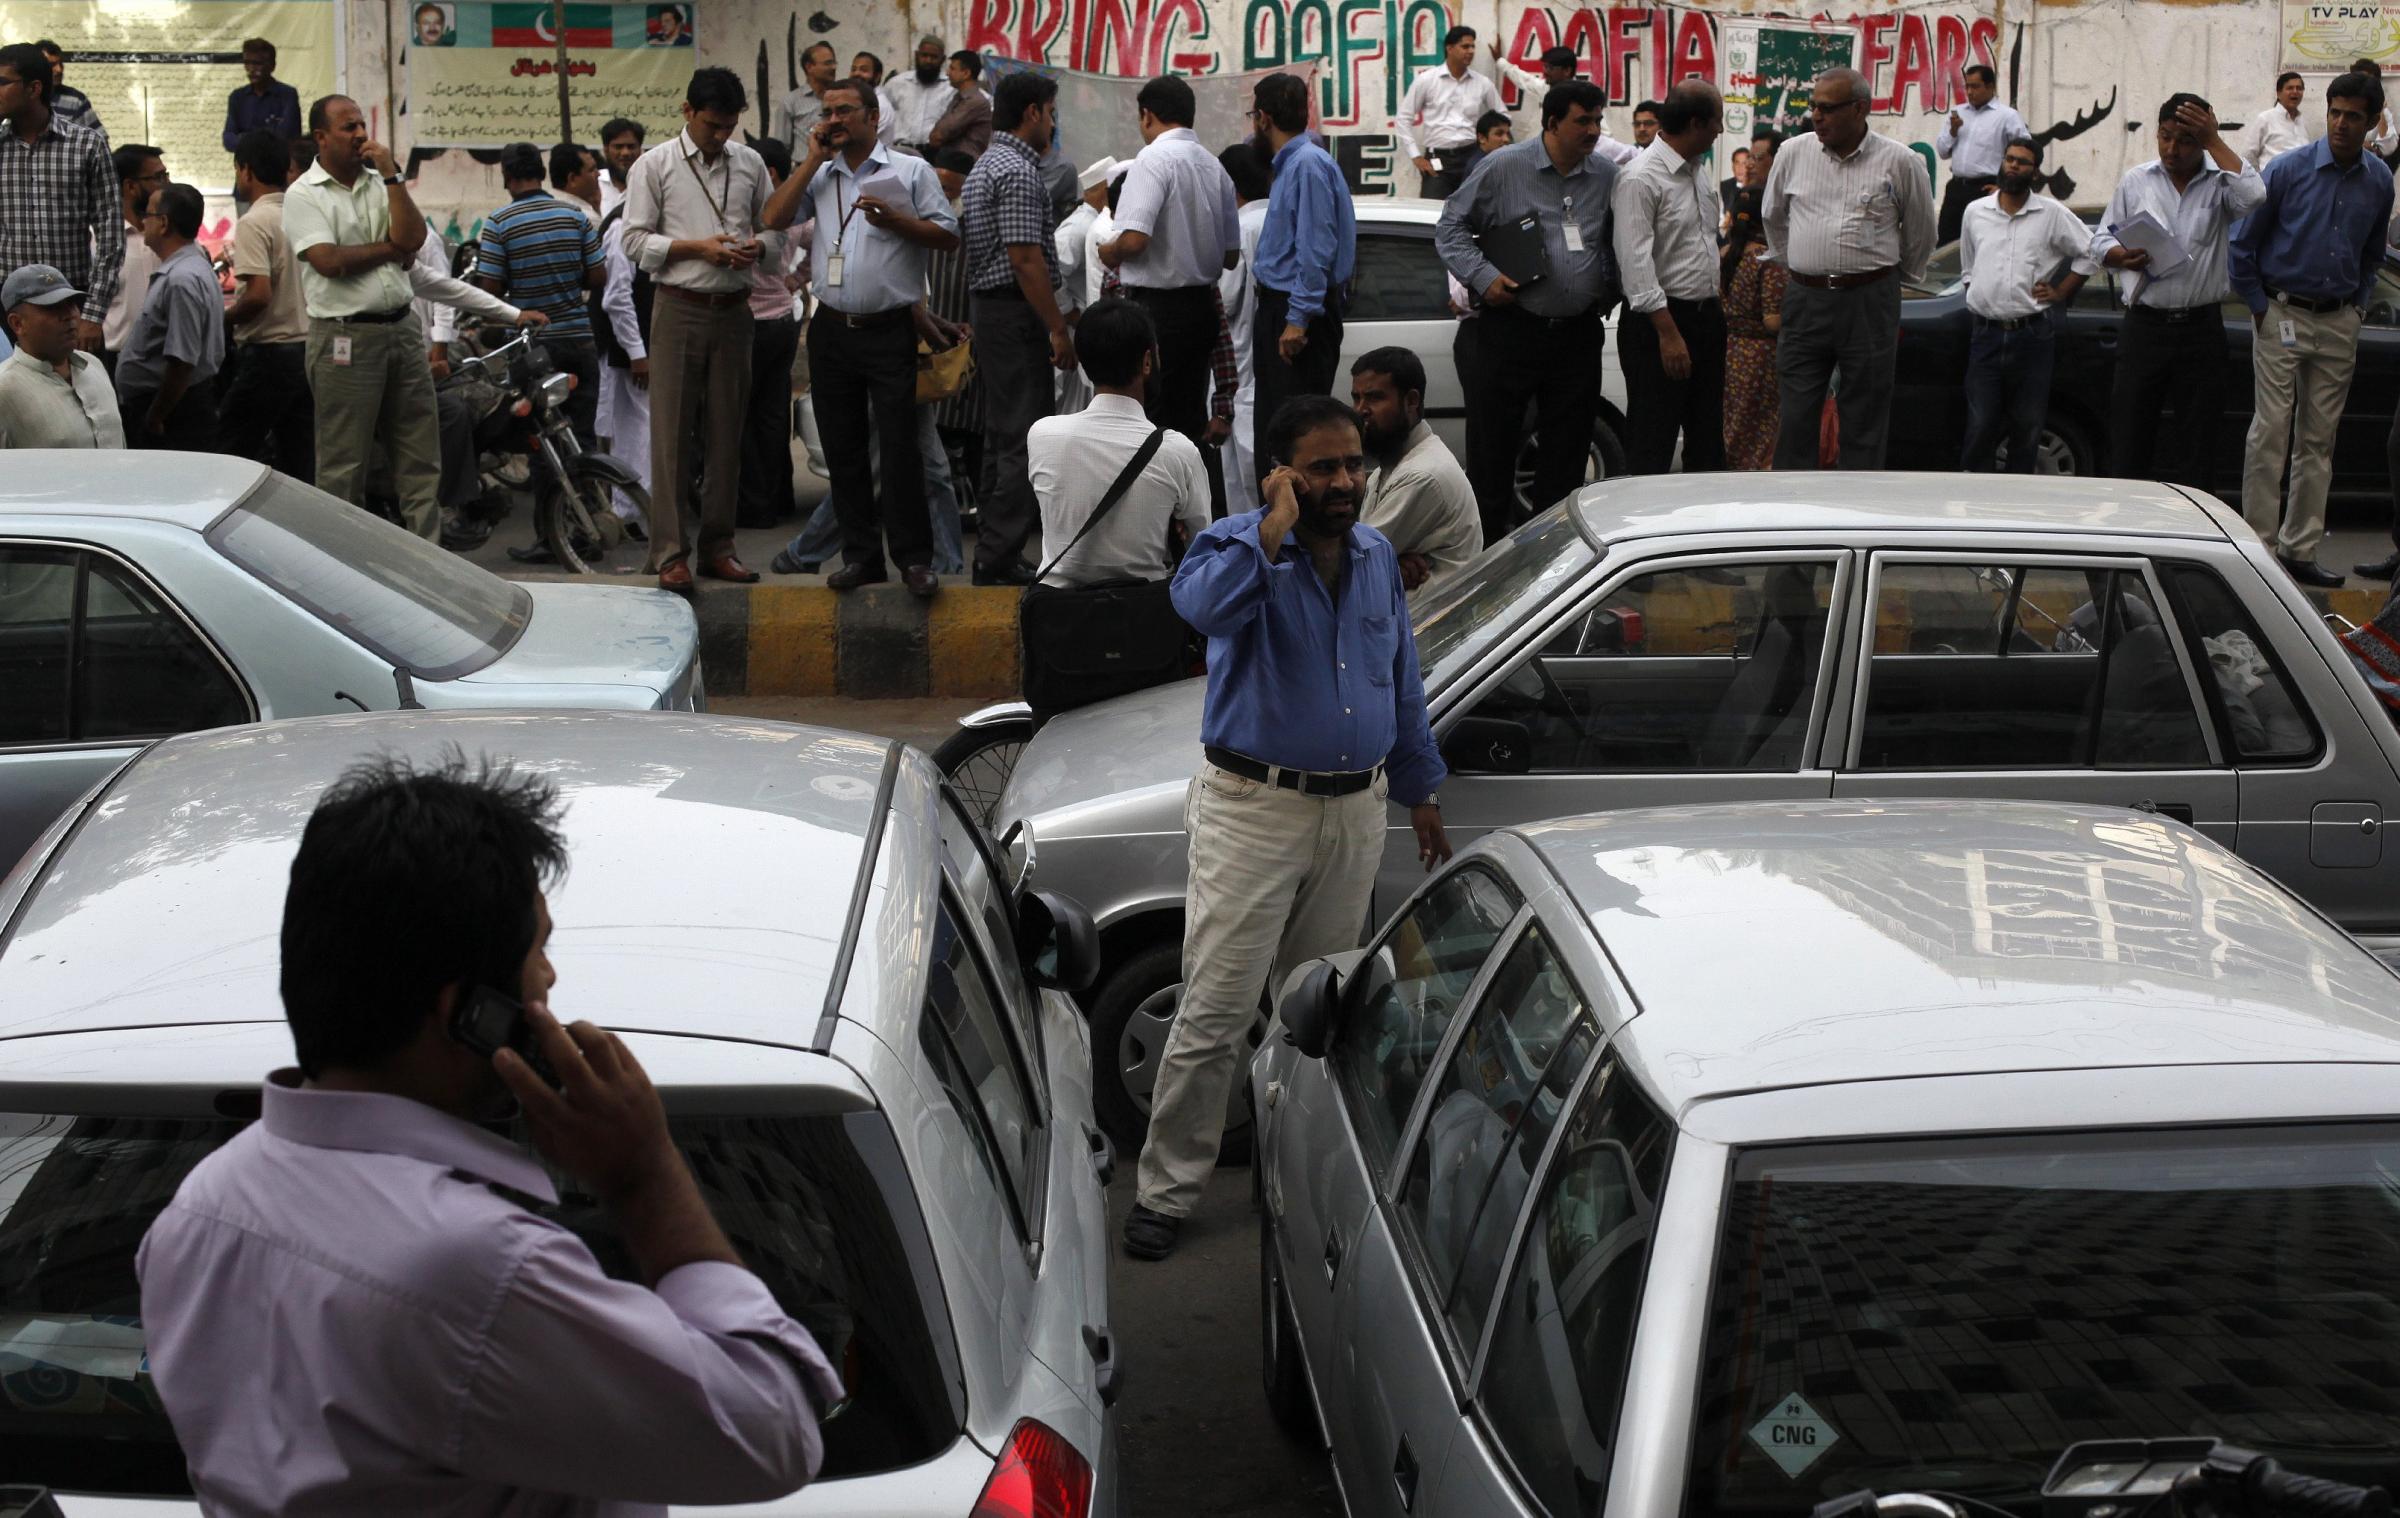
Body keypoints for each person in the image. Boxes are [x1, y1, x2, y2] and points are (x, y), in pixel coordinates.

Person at [134, 755, 842, 1514]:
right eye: (538, 951)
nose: (550, 979)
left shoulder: (198, 1209)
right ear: (466, 1013)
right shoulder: (475, 1268)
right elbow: (772, 1431)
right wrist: (645, 1174)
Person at [1122, 394, 1450, 1262]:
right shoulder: (1234, 547)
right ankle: (1166, 1190)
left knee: (1316, 1010)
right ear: (1282, 475)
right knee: (1217, 1006)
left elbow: (1400, 678)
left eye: (1353, 465)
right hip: (1254, 809)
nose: (1343, 482)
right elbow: (1203, 611)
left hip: (1355, 810)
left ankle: (1289, 1171)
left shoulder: (1377, 558)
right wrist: (1272, 528)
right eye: (1322, 468)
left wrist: (1420, 788)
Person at [620, 67, 809, 590]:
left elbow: (775, 233)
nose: (721, 135)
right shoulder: (655, 164)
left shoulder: (749, 163)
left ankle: (719, 548)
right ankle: (669, 553)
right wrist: (696, 249)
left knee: (729, 433)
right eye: (712, 125)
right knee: (672, 436)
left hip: (735, 311)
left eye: (729, 126)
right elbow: (633, 242)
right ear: (687, 112)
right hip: (678, 307)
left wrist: (756, 248)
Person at [794, 76, 958, 595]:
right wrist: (809, 161)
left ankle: (914, 560)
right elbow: (772, 217)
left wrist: (898, 221)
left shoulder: (910, 171)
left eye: (844, 110)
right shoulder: (821, 175)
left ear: (872, 116)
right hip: (831, 329)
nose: (834, 120)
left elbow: (947, 235)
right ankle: (861, 558)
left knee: (900, 447)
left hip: (889, 328)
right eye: (828, 112)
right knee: (842, 451)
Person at [1436, 79, 1619, 543]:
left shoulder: (1605, 175)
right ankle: (1485, 560)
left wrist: (1610, 287)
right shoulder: (1503, 166)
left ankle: (1550, 561)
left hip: (1577, 335)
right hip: (1512, 329)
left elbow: (1617, 239)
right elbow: (1450, 228)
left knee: (1566, 457)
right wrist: (1484, 277)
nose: (1594, 130)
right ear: (1552, 123)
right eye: (1583, 121)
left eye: (1598, 120)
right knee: (1493, 452)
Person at [2230, 72, 2392, 588]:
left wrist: (2358, 308)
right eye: (2335, 112)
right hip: (2282, 312)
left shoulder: (2379, 180)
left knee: (2319, 440)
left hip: (2339, 320)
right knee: (2270, 432)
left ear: (2372, 122)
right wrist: (2259, 306)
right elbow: (2243, 242)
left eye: (2354, 116)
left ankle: (2299, 549)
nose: (2341, 124)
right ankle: (2259, 550)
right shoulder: (2287, 169)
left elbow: (2372, 255)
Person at [1762, 66, 1937, 469]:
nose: (1816, 116)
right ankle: (1792, 503)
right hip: (1805, 299)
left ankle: (1856, 504)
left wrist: (1886, 280)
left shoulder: (1900, 161)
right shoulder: (1793, 153)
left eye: (1827, 108)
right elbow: (1773, 217)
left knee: (1865, 415)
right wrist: (1804, 265)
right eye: (1813, 107)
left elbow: (1921, 232)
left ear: (1859, 109)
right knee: (1796, 415)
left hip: (1869, 301)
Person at [2092, 92, 2265, 489]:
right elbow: (2099, 241)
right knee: (2130, 437)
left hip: (2200, 331)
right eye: (2165, 137)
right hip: (2145, 329)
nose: (2172, 149)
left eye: (2185, 140)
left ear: (2202, 140)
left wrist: (2215, 140)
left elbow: (2255, 194)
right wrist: (2121, 256)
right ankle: (2130, 519)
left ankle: (2193, 523)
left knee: (2199, 442)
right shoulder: (2137, 181)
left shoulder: (2221, 183)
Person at [286, 94, 441, 536]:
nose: (360, 135)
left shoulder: (381, 183)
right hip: (345, 339)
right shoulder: (304, 195)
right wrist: (392, 249)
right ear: (321, 137)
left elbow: (413, 238)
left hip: (402, 330)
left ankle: (429, 557)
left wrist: (393, 176)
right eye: (348, 127)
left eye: (361, 125)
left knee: (420, 458)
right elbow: (329, 261)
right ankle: (342, 563)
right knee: (344, 466)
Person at [961, 71, 1075, 585]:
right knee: (1023, 438)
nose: (1052, 123)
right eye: (1050, 113)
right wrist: (1057, 329)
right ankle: (1000, 554)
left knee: (1002, 436)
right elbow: (1026, 259)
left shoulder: (988, 164)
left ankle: (994, 550)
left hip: (994, 312)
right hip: (1012, 313)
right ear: (1032, 112)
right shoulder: (1018, 171)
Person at [1027, 297, 1211, 586]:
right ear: (1147, 362)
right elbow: (1200, 545)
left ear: (1084, 362)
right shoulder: (1178, 452)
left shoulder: (1043, 435)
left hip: (1058, 608)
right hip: (1143, 608)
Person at [1103, 74, 1243, 442]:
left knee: (1149, 422)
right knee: (1188, 421)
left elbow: (1134, 241)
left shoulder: (1153, 159)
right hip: (1201, 309)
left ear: (1147, 115)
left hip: (1157, 312)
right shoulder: (1214, 166)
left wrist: (1109, 250)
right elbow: (1230, 256)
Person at [1957, 136, 2094, 473]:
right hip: (1985, 335)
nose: (2013, 166)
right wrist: (1980, 292)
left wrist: (2061, 291)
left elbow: (2092, 252)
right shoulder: (1976, 212)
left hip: (2032, 336)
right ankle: (1974, 496)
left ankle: (2019, 498)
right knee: (1980, 424)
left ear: (2035, 173)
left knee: (2027, 426)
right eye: (2009, 159)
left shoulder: (2051, 214)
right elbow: (1968, 267)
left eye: (2022, 162)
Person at [1613, 79, 1727, 475]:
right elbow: (1636, 264)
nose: (1720, 130)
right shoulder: (1640, 177)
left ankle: (1704, 514)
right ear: (1696, 123)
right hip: (1660, 324)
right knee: (1653, 440)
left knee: (1707, 440)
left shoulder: (1696, 171)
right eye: (1717, 121)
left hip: (1705, 317)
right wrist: (1668, 333)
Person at [1249, 71, 1356, 489]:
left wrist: (1298, 319)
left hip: (1296, 314)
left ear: (1263, 117)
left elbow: (1316, 247)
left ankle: (1295, 523)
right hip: (1283, 307)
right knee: (1278, 433)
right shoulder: (1295, 163)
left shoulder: (1307, 164)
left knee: (1294, 438)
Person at [477, 141, 606, 446]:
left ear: (506, 176)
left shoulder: (499, 223)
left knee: (540, 437)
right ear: (543, 173)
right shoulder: (575, 215)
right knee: (583, 433)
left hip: (532, 347)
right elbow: (598, 276)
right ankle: (588, 477)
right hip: (579, 339)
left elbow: (490, 291)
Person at [0, 43, 119, 357]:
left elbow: (111, 235)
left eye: (2, 82)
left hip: (70, 306)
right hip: (9, 309)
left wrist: (93, 315)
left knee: (77, 386)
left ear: (33, 88)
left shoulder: (86, 145)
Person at [1350, 345, 1482, 596]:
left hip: (1431, 617)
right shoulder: (1390, 467)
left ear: (1411, 400)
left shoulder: (1421, 476)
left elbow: (1351, 566)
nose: (1361, 410)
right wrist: (1390, 568)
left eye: (1375, 398)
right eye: (1356, 398)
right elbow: (1360, 557)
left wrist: (1379, 567)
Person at [221, 129, 315, 481]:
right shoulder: (304, 215)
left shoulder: (254, 221)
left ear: (246, 170)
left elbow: (258, 295)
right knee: (299, 461)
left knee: (230, 452)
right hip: (307, 350)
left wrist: (224, 318)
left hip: (268, 355)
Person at [115, 181, 225, 449]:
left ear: (163, 223)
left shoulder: (180, 280)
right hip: (176, 405)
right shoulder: (192, 266)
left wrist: (155, 417)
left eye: (148, 214)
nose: (143, 221)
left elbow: (181, 362)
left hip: (174, 413)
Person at [737, 136, 804, 531]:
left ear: (768, 172)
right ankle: (780, 499)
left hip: (750, 322)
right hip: (782, 319)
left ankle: (754, 506)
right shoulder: (793, 210)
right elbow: (820, 240)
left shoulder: (753, 210)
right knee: (774, 413)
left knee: (742, 416)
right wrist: (797, 279)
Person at [0, 263, 124, 448]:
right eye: (53, 308)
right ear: (17, 323)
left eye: (71, 304)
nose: (69, 315)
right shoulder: (5, 389)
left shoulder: (93, 366)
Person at [1721, 131, 1788, 470]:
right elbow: (1772, 320)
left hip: (1731, 351)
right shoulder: (1767, 260)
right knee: (1759, 434)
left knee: (1733, 427)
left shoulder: (1726, 254)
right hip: (1761, 359)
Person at [593, 181, 653, 537]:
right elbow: (617, 297)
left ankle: (638, 512)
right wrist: (637, 353)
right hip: (631, 352)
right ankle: (632, 514)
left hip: (643, 346)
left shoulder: (645, 224)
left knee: (642, 431)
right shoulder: (621, 228)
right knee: (635, 433)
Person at [1216, 143, 1271, 515]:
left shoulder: (1240, 228)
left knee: (1242, 485)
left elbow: (1224, 299)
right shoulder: (1280, 218)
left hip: (1239, 370)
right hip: (1266, 367)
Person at [1400, 25, 1503, 199]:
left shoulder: (1482, 83)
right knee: (1432, 211)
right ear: (1449, 48)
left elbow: (1502, 116)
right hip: (1438, 161)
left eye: (1473, 46)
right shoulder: (1427, 80)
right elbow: (1403, 118)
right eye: (1465, 46)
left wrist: (1490, 146)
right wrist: (1415, 156)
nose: (1471, 51)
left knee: (1475, 209)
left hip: (1472, 157)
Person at [1935, 64, 2030, 244]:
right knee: (1946, 245)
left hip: (1986, 188)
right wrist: (1953, 131)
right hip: (1956, 188)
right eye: (1967, 86)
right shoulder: (1958, 114)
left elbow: (2025, 151)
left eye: (1975, 86)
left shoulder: (2007, 116)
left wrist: (2004, 186)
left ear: (1990, 86)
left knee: (1983, 242)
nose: (1970, 92)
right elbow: (1942, 152)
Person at [1055, 153, 1117, 412]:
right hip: (1072, 330)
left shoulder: (1095, 221)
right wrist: (1069, 312)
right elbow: (1053, 272)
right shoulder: (1078, 227)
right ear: (1105, 190)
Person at [102, 143, 165, 368]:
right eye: (158, 178)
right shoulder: (99, 241)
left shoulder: (170, 234)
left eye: (166, 175)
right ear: (130, 186)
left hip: (166, 360)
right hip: (116, 361)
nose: (166, 185)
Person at [1496, 44, 1592, 150]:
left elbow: (1598, 130)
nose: (1545, 72)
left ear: (1567, 71)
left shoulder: (1583, 97)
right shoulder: (1545, 89)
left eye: (1550, 68)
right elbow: (1523, 79)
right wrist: (1500, 61)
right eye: (1545, 66)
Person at [222, 37, 300, 155]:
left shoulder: (287, 95)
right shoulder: (237, 97)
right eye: (247, 63)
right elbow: (228, 139)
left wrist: (244, 137)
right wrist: (267, 136)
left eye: (257, 63)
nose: (251, 69)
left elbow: (287, 136)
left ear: (272, 66)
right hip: (246, 164)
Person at [885, 36, 956, 153]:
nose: (928, 61)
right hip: (900, 151)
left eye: (934, 57)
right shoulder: (896, 84)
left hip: (934, 154)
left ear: (943, 60)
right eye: (924, 55)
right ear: (916, 55)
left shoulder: (951, 88)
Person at [927, 51, 991, 160]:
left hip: (965, 163)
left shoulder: (975, 101)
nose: (947, 73)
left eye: (952, 69)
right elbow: (936, 134)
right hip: (950, 159)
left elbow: (940, 134)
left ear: (966, 73)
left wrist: (938, 136)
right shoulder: (958, 97)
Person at [776, 41, 837, 156]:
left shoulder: (840, 97)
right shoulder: (790, 102)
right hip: (805, 165)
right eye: (827, 63)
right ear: (809, 67)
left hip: (837, 165)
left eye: (834, 62)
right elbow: (781, 147)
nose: (833, 67)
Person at [33, 42, 102, 143]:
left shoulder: (76, 100)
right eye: (52, 65)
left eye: (61, 64)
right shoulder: (22, 98)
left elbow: (100, 138)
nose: (59, 70)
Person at [2246, 71, 2313, 169]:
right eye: (2290, 88)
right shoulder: (2265, 118)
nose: (2295, 92)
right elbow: (2248, 155)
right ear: (2278, 93)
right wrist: (2258, 177)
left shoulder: (2302, 121)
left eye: (2299, 88)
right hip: (2273, 177)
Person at [597, 117, 643, 217]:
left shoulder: (651, 184)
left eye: (631, 147)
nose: (625, 153)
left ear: (640, 149)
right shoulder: (594, 183)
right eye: (618, 147)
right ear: (606, 150)